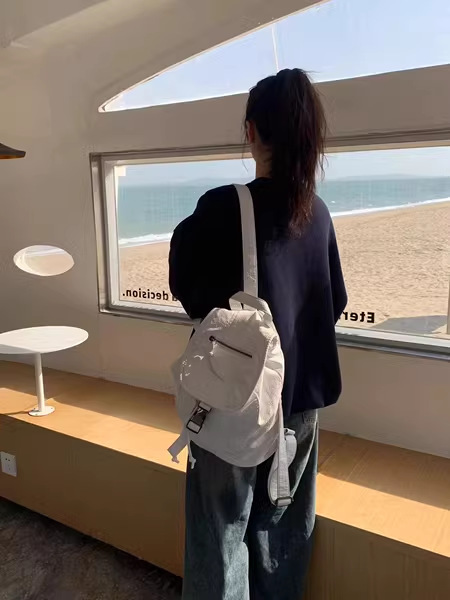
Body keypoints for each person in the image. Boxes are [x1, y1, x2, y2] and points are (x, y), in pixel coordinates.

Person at [169, 68, 347, 600]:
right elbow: (334, 303)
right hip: (301, 409)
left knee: (220, 537)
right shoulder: (318, 213)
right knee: (284, 538)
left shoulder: (223, 206)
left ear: (251, 132)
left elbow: (189, 290)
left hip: (237, 404)